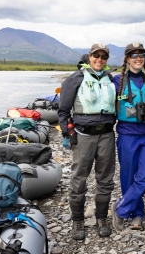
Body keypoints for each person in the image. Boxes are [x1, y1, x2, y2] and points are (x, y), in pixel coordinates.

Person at [58, 43, 117, 239]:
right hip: (83, 136)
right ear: (89, 57)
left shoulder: (110, 79)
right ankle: (77, 221)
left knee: (105, 178)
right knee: (78, 178)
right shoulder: (76, 78)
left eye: (103, 57)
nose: (99, 59)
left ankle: (101, 217)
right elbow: (64, 111)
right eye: (96, 56)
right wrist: (67, 135)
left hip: (107, 135)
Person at [111, 43, 145, 232]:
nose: (138, 58)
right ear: (127, 59)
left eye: (141, 55)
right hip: (127, 134)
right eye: (134, 55)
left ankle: (121, 209)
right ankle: (137, 214)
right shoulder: (117, 81)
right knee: (128, 177)